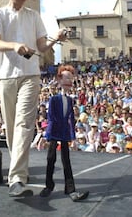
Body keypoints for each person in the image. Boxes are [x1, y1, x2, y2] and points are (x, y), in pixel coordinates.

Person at [0, 0, 67, 197]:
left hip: (30, 74)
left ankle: (17, 178)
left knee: (24, 124)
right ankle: (18, 171)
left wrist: (55, 39)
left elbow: (41, 46)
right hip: (5, 75)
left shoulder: (34, 16)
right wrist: (14, 46)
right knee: (11, 128)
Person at [39, 65, 89, 201]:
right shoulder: (54, 99)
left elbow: (71, 119)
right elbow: (51, 117)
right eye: (66, 78)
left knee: (66, 160)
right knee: (51, 159)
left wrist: (72, 136)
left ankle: (70, 188)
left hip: (65, 132)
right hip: (55, 131)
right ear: (59, 79)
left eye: (71, 78)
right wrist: (48, 135)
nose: (69, 81)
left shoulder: (70, 100)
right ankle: (48, 186)